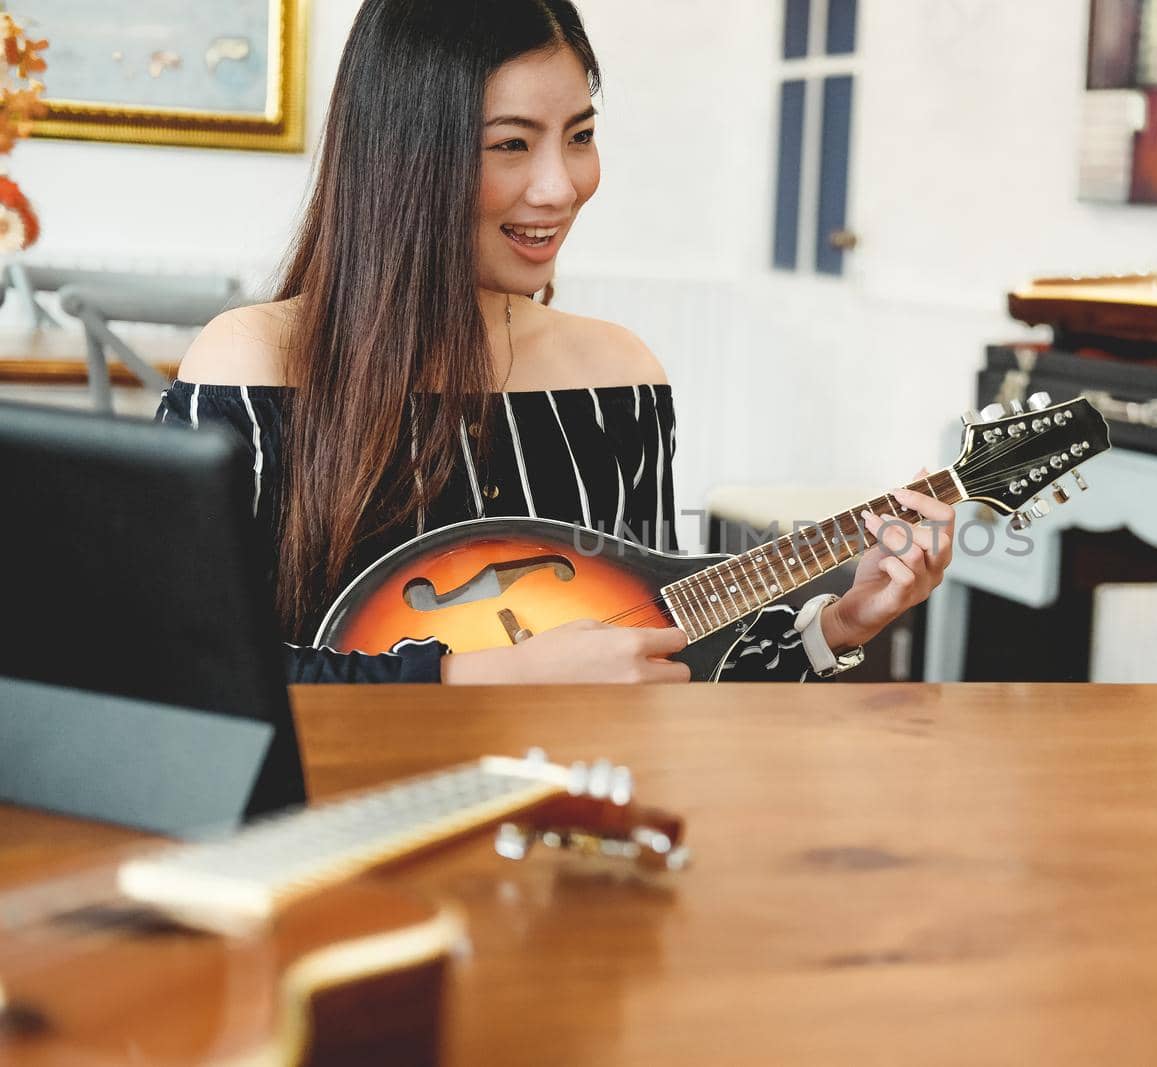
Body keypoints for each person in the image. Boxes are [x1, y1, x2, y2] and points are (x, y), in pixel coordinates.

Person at [160, 0, 953, 685]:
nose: (560, 185)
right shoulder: (255, 366)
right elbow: (176, 663)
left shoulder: (618, 375)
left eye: (579, 135)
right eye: (511, 144)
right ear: (403, 157)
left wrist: (839, 624)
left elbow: (657, 662)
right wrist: (477, 677)